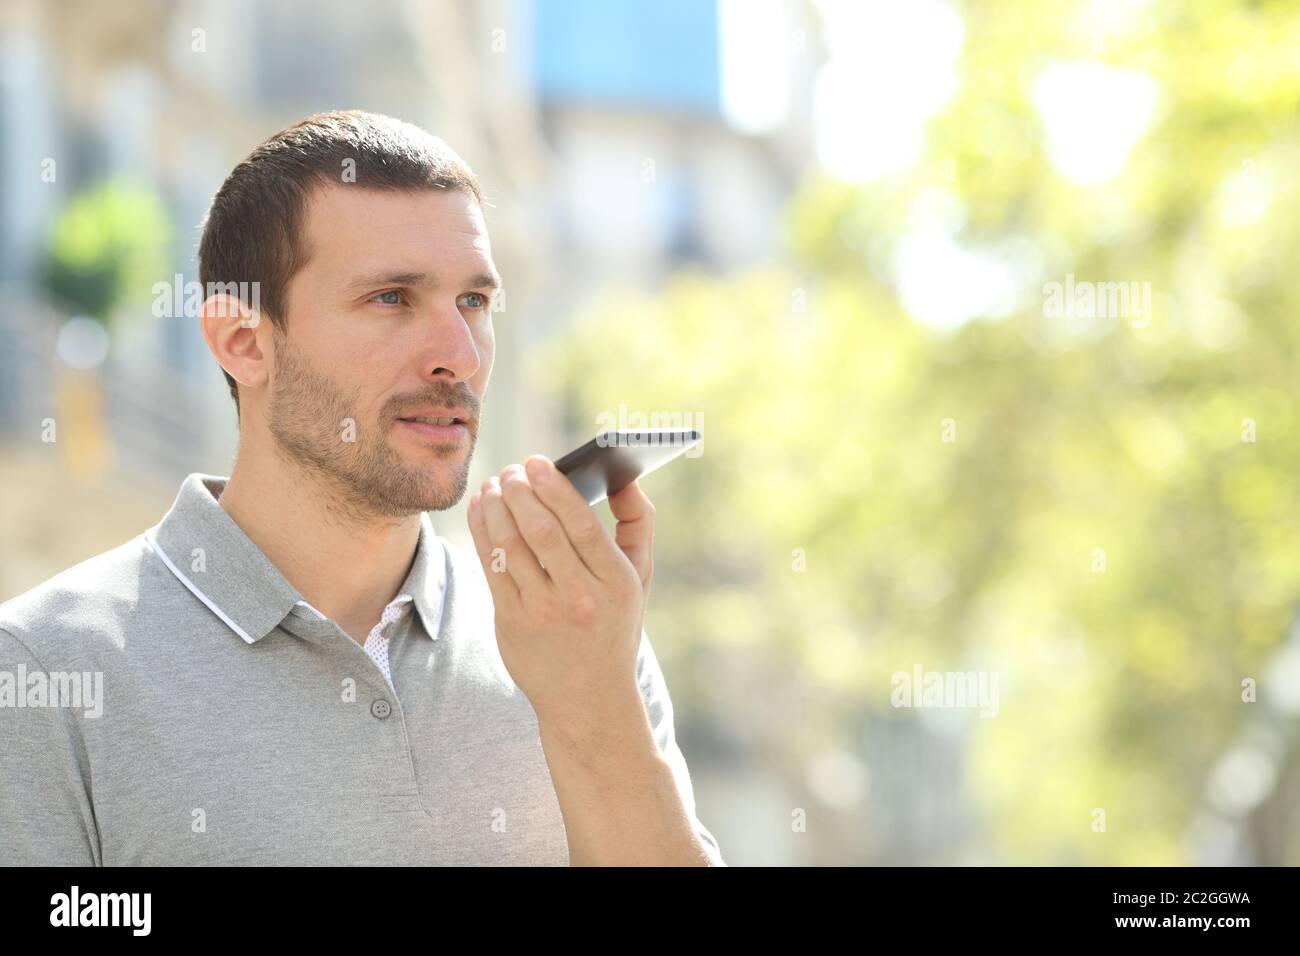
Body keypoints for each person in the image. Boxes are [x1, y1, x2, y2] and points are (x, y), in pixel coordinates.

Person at [0, 110, 724, 866]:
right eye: (391, 298)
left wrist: (596, 712)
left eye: (474, 302)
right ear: (244, 341)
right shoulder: (43, 668)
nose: (459, 356)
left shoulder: (575, 634)